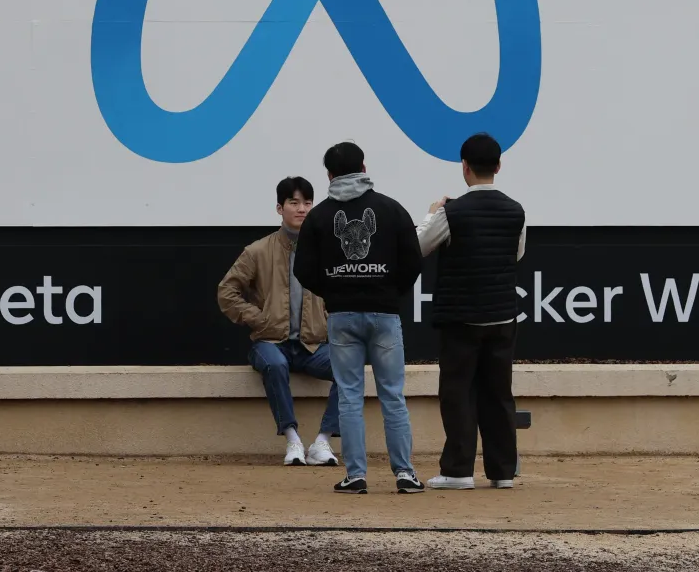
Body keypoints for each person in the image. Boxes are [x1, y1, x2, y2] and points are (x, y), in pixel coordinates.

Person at [293, 142, 425, 495]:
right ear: (364, 167)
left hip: (342, 316)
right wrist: (389, 291)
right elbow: (414, 261)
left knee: (350, 397)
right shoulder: (392, 210)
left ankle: (356, 475)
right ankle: (405, 474)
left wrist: (335, 291)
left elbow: (304, 270)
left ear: (329, 175)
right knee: (393, 396)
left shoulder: (319, 216)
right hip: (385, 315)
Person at [416, 132, 527, 490]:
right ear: (498, 165)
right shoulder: (516, 210)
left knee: (458, 392)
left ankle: (458, 470)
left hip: (461, 317)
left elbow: (418, 245)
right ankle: (502, 472)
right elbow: (517, 254)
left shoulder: (451, 211)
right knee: (499, 394)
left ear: (464, 167)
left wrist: (431, 214)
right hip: (502, 316)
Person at [217, 176, 341, 467]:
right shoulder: (258, 251)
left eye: (307, 202)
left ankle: (322, 442)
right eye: (294, 202)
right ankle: (292, 439)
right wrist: (257, 318)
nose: (301, 209)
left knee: (349, 367)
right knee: (274, 364)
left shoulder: (326, 250)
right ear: (279, 208)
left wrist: (328, 319)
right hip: (270, 341)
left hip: (313, 346)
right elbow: (227, 291)